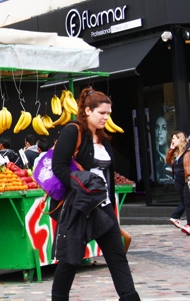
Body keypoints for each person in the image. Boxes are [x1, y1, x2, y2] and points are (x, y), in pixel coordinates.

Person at [51, 88, 140, 301]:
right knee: (70, 260)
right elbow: (59, 167)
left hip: (104, 206)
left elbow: (108, 172)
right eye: (102, 113)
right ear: (88, 111)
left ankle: (130, 298)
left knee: (117, 256)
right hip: (79, 208)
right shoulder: (72, 131)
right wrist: (82, 185)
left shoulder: (103, 138)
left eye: (108, 114)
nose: (106, 118)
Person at [166, 131, 190, 236]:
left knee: (189, 202)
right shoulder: (176, 151)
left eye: (174, 138)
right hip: (178, 179)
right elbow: (168, 161)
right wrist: (171, 149)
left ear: (180, 139)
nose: (172, 141)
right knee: (185, 201)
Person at [154, 116, 171, 182]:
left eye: (164, 128)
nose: (159, 132)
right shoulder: (157, 163)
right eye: (157, 127)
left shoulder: (176, 154)